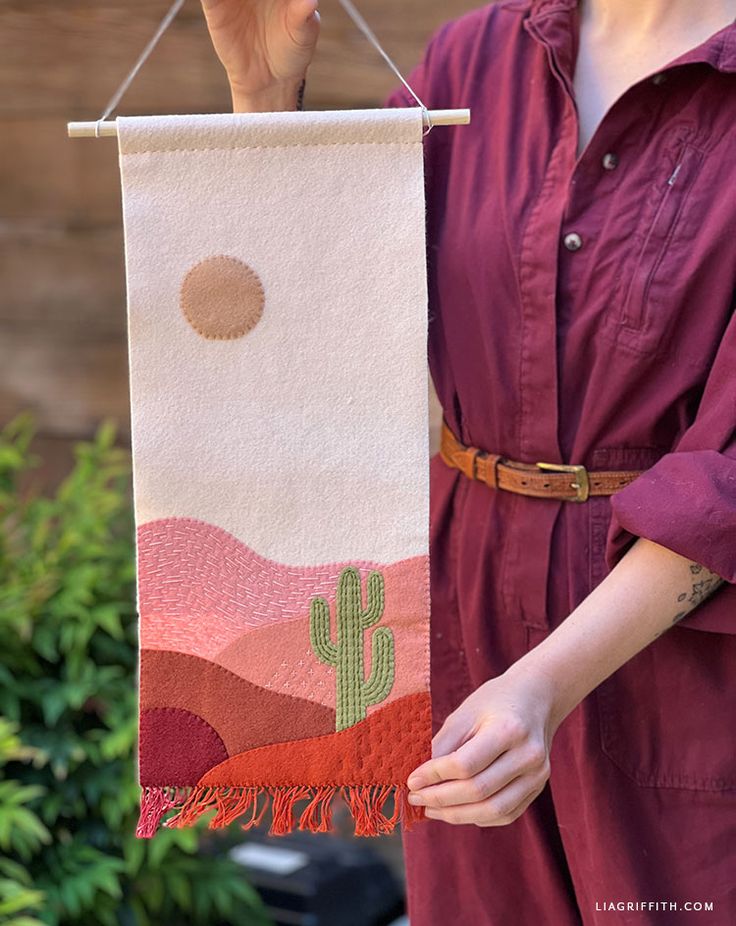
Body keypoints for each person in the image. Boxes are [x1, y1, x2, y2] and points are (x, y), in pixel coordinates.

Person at [200, 1, 736, 922]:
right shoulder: (474, 54)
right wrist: (263, 94)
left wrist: (543, 683)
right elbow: (323, 317)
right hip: (464, 609)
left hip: (687, 648)